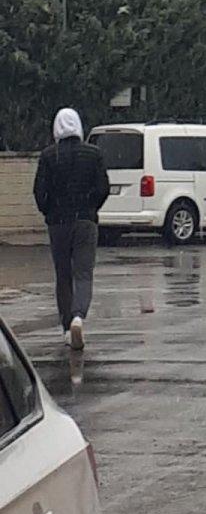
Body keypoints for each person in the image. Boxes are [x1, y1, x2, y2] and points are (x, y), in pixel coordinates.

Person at [33, 108, 110, 349]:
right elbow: (103, 187)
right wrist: (90, 207)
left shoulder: (48, 156)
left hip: (58, 223)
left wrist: (49, 212)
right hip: (85, 221)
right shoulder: (93, 154)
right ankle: (79, 315)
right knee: (84, 273)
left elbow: (39, 192)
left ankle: (67, 328)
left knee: (63, 275)